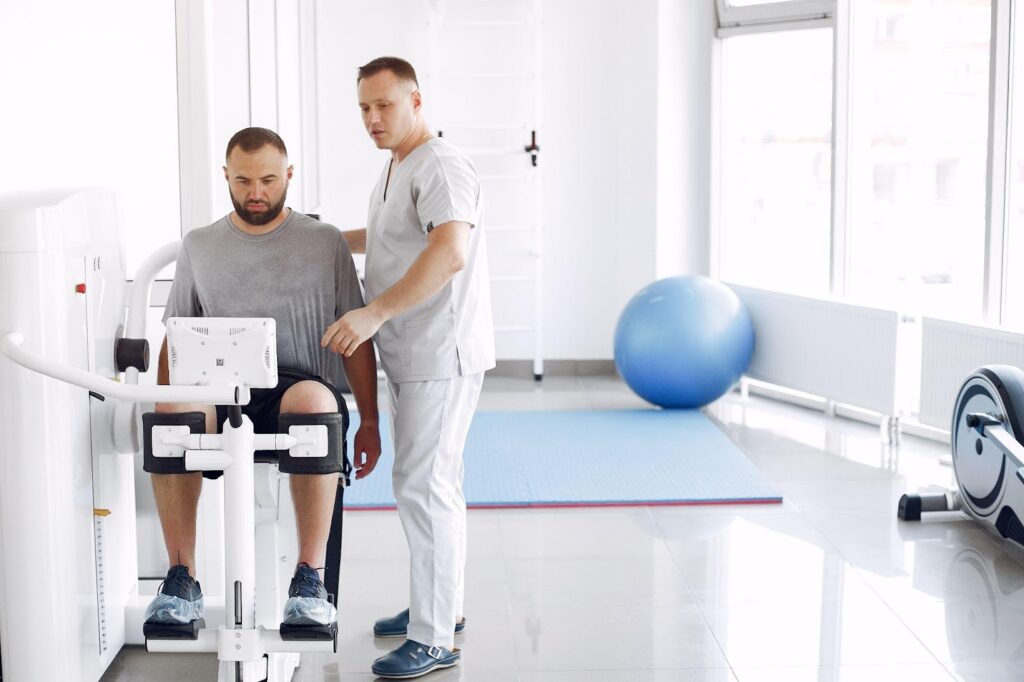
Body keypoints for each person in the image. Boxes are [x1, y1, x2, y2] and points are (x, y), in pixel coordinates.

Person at [143, 127, 382, 633]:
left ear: (289, 176)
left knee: (316, 402)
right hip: (216, 386)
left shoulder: (325, 242)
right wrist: (164, 398)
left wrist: (370, 421)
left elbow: (357, 335)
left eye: (269, 180)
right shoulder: (201, 245)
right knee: (170, 413)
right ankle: (180, 577)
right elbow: (174, 336)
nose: (256, 193)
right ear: (225, 176)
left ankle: (310, 579)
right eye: (244, 180)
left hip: (296, 386)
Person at [323, 56, 495, 679]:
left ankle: (436, 635)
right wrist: (320, 238)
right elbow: (390, 234)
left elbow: (449, 253)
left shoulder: (442, 165)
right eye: (364, 108)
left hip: (439, 353)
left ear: (416, 101)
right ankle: (438, 607)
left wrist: (372, 314)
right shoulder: (399, 163)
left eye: (384, 106)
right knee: (422, 484)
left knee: (427, 487)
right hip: (412, 354)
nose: (372, 118)